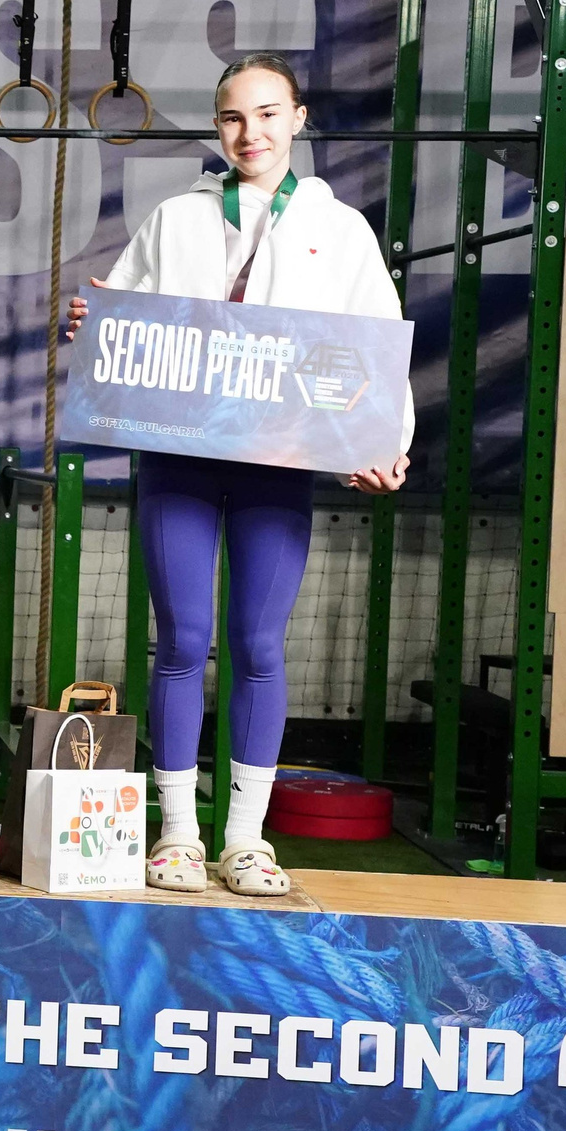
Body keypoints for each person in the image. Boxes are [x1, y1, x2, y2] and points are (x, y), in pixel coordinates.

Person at [65, 53, 411, 897]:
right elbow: (127, 320)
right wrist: (96, 319)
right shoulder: (177, 219)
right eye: (231, 118)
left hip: (277, 462)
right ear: (215, 128)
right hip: (180, 456)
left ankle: (246, 839)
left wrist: (385, 443)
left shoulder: (343, 228)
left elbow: (378, 343)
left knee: (259, 644)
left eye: (266, 114)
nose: (249, 133)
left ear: (299, 118)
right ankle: (178, 833)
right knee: (183, 640)